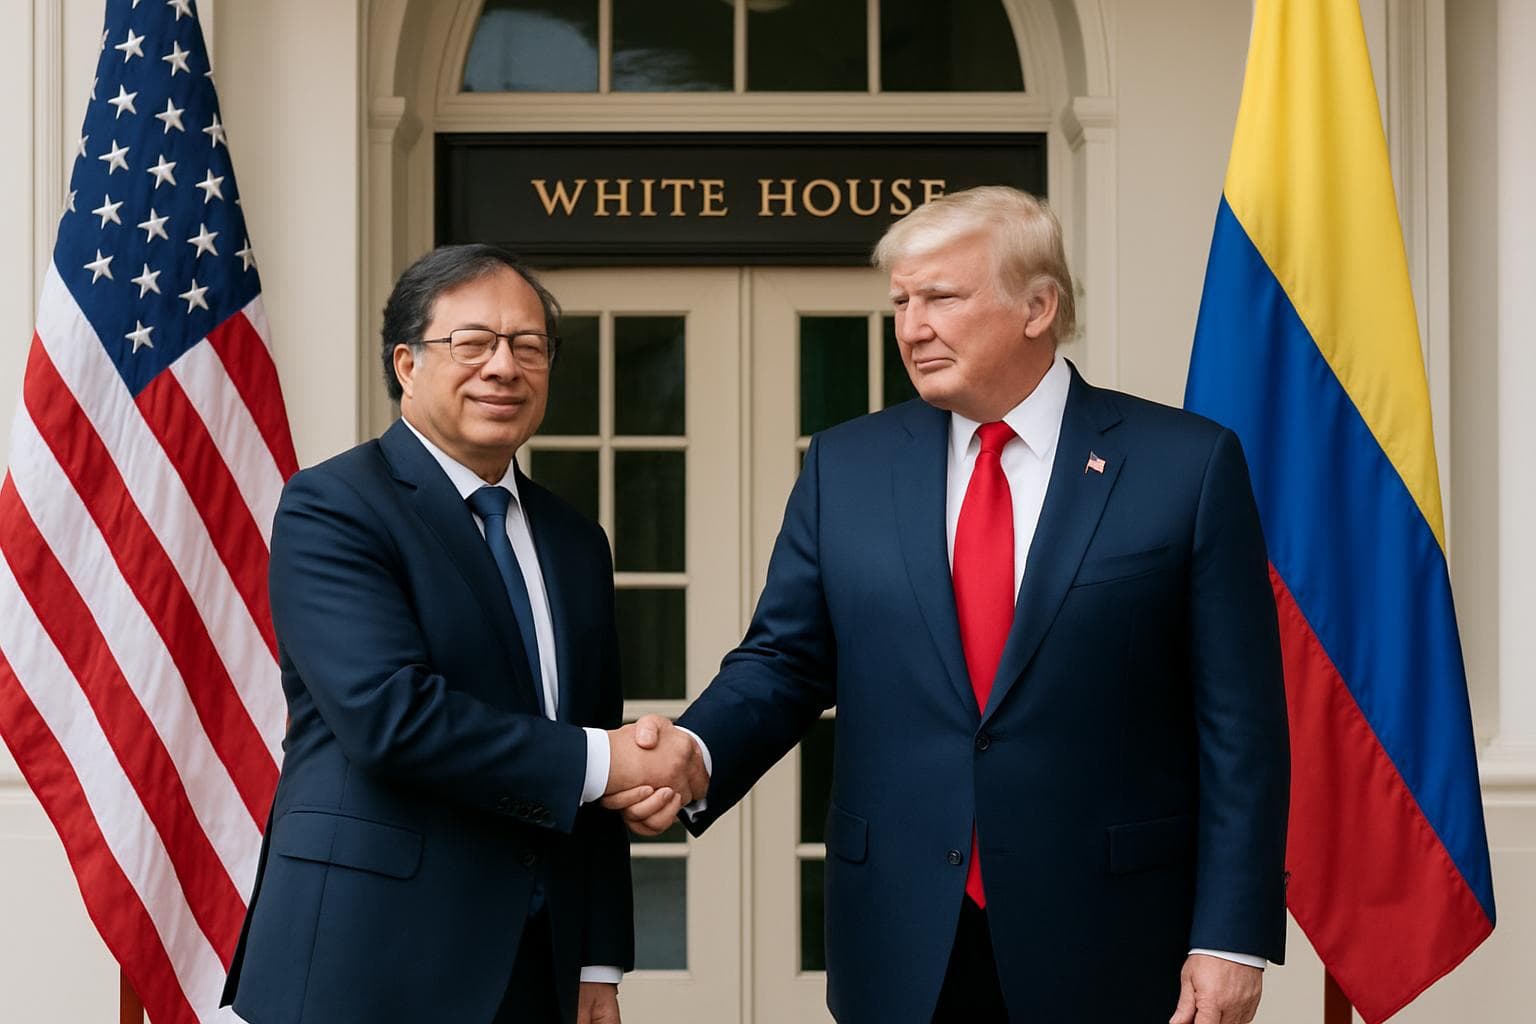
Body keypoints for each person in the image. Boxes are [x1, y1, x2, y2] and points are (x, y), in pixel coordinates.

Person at [609, 187, 1290, 1023]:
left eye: (940, 297)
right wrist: (696, 750)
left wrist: (1230, 936)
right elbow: (785, 660)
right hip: (901, 936)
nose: (911, 327)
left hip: (1112, 935)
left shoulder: (1185, 465)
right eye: (901, 301)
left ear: (1038, 306)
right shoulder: (846, 465)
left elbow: (1240, 723)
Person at [222, 244, 705, 1024]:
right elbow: (391, 717)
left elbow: (589, 737)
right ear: (407, 365)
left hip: (537, 965)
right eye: (473, 343)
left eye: (529, 346)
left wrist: (597, 959)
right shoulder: (334, 506)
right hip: (369, 960)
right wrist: (607, 759)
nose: (504, 367)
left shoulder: (575, 541)